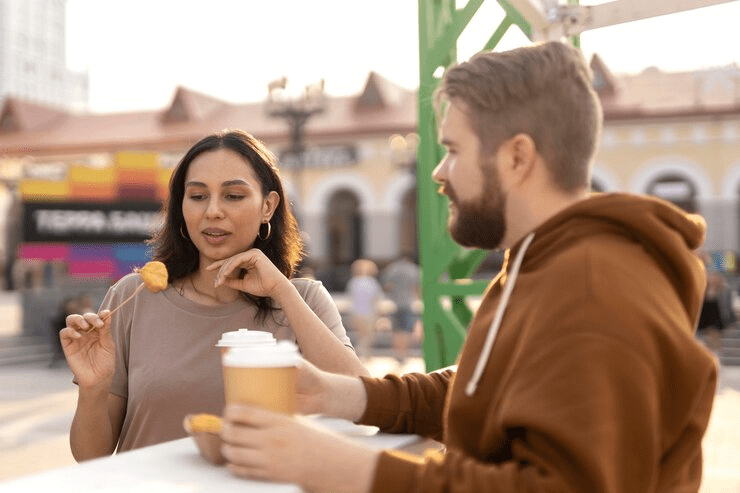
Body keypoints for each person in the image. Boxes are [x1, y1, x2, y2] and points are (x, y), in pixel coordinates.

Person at [219, 41, 718, 493]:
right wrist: (341, 394)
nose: (437, 171)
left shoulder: (592, 285)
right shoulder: (545, 261)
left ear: (517, 156)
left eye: (453, 150)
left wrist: (345, 468)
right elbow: (485, 391)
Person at [60, 129, 368, 461]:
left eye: (233, 196)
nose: (213, 211)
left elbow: (364, 404)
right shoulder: (133, 297)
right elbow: (90, 457)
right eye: (198, 196)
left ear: (268, 206)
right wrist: (93, 389)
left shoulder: (304, 300)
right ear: (181, 207)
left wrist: (281, 289)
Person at [380, 255, 421, 363]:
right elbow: (417, 287)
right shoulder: (414, 270)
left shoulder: (391, 269)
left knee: (396, 331)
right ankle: (404, 353)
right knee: (406, 331)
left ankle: (397, 352)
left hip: (394, 304)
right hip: (408, 303)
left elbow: (387, 287)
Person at [345, 259, 384, 360]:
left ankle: (364, 353)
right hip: (369, 313)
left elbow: (350, 298)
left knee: (361, 335)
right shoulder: (372, 283)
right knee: (368, 336)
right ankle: (362, 351)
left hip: (355, 312)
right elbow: (377, 300)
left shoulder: (353, 282)